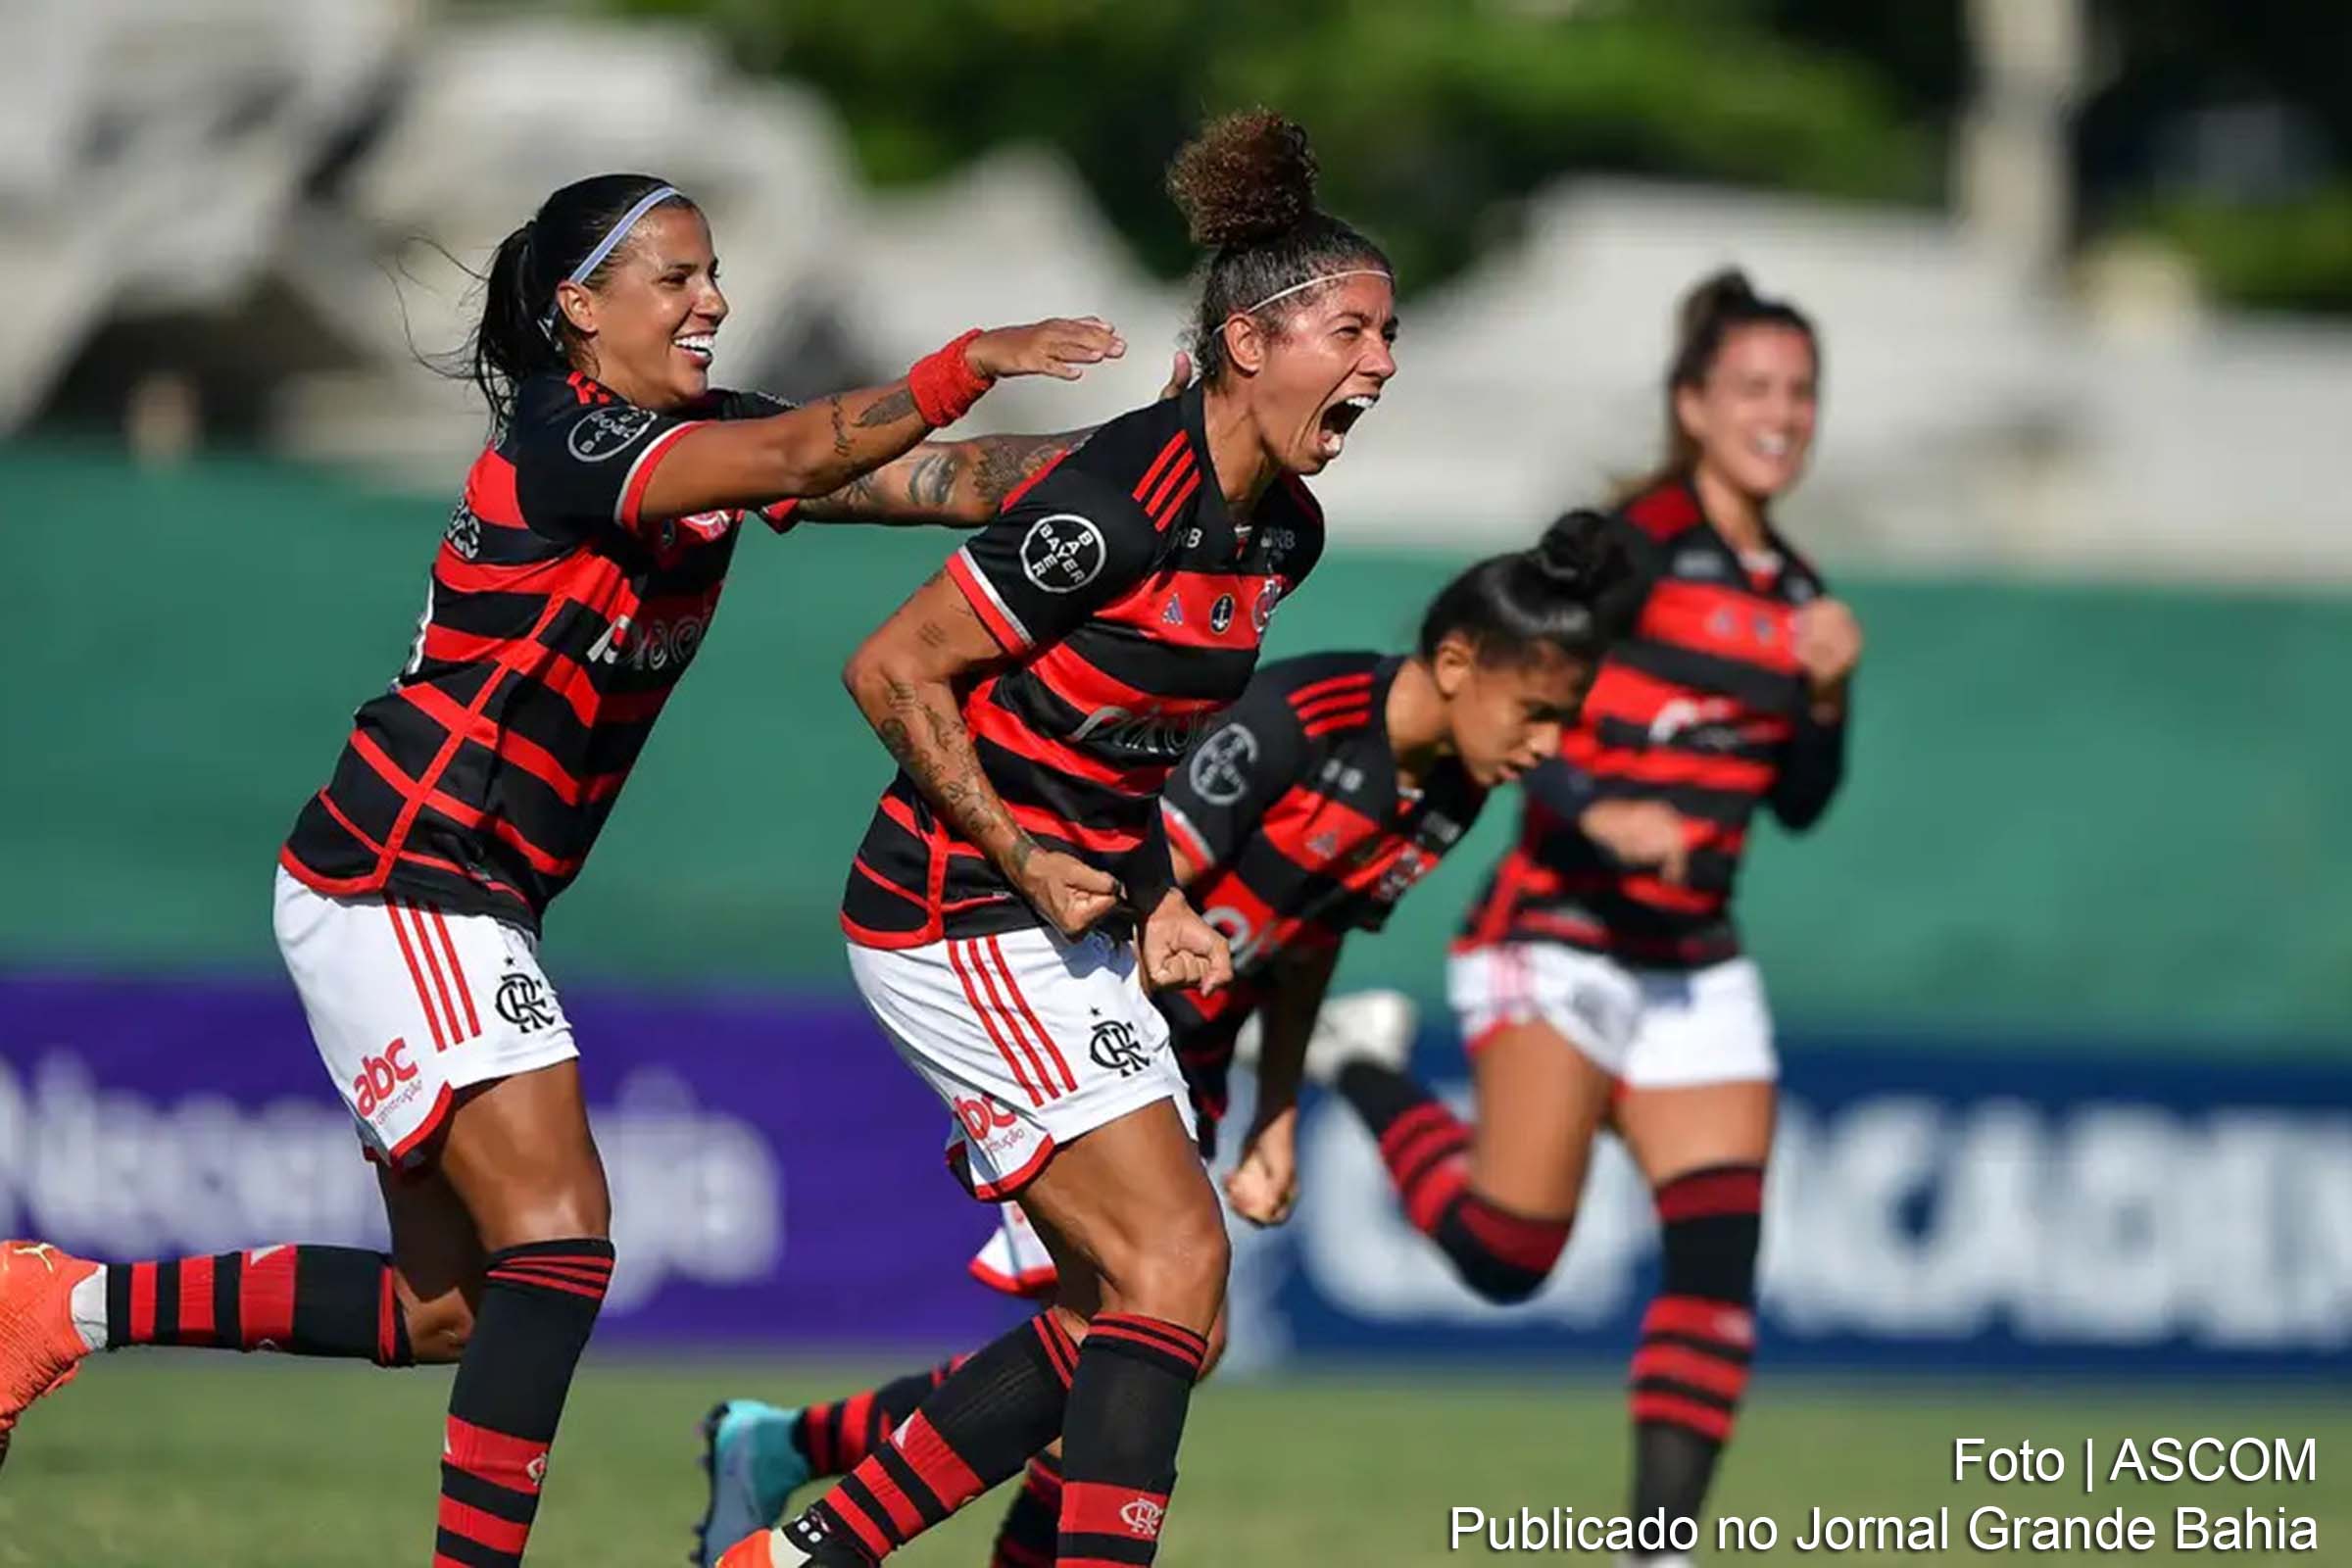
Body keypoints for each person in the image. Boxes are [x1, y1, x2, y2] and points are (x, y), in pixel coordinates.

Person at [0, 172, 1130, 1565]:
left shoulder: (692, 439)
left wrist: (1164, 458)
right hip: (402, 866)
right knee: (564, 1243)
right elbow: (809, 456)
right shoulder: (567, 442)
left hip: (458, 892)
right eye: (675, 276)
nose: (712, 299)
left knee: (453, 1313)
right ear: (579, 311)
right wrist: (965, 362)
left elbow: (946, 482)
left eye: (713, 272)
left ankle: (54, 1312)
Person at [693, 513, 1642, 1568]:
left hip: (1189, 1065)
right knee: (1146, 1328)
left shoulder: (1452, 790)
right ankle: (805, 1519)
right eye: (1541, 711)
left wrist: (1279, 1109)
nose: (1550, 745)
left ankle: (789, 1484)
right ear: (1460, 662)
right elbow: (1138, 880)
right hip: (1087, 1024)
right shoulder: (1292, 723)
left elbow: (1312, 937)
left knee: (1135, 1339)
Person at [713, 108, 1396, 1568]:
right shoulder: (1123, 506)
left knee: (1136, 1320)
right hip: (957, 915)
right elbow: (893, 671)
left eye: (1388, 334)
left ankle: (802, 1554)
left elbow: (1094, 700)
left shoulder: (1281, 533)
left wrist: (1150, 894)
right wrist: (1032, 865)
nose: (1383, 363)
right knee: (1178, 1265)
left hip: (1064, 923)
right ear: (1249, 345)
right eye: (1353, 329)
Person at [1322, 270, 1861, 1567]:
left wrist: (1831, 700)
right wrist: (1597, 808)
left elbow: (1797, 804)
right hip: (1556, 931)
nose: (1779, 413)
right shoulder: (1632, 547)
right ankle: (1366, 1069)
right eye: (1753, 388)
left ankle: (1655, 1553)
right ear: (1693, 404)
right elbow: (1498, 686)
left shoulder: (1800, 594)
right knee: (1509, 1253)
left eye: (1799, 391)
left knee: (1717, 1265)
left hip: (1695, 966)